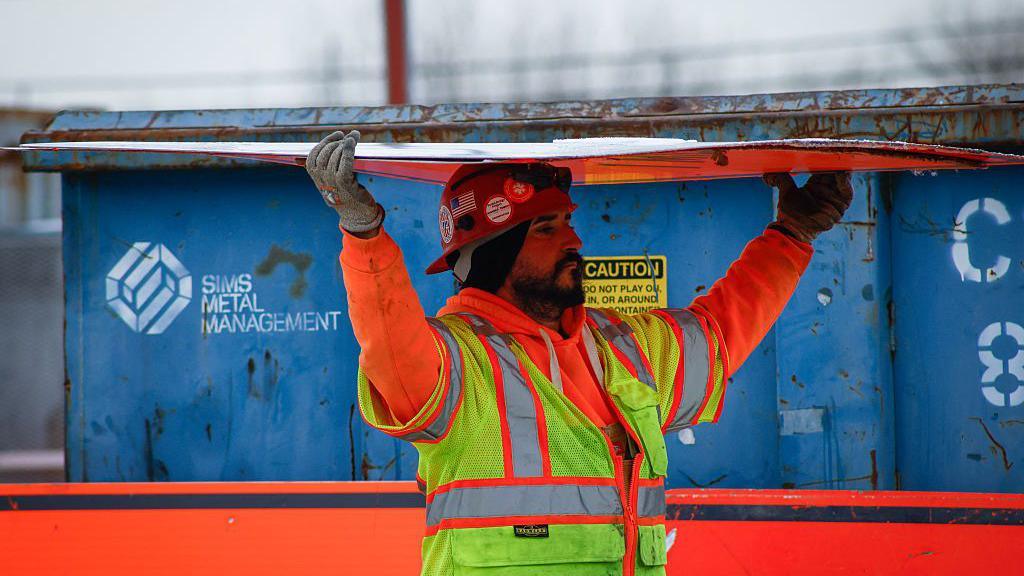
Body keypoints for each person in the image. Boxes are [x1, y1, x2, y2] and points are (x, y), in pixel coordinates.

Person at [305, 130, 852, 576]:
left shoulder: (621, 350)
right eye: (547, 228)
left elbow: (722, 331)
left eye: (568, 222)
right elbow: (390, 342)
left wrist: (792, 234)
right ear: (494, 255)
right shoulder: (455, 366)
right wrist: (365, 236)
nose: (574, 241)